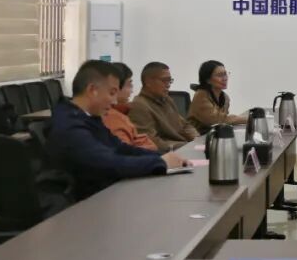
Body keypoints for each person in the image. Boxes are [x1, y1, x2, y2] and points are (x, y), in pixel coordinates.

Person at [47, 60, 185, 200]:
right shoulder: (69, 124)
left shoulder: (88, 118)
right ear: (92, 90)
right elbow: (107, 162)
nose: (114, 101)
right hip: (78, 204)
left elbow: (120, 148)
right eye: (112, 93)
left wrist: (161, 157)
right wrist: (160, 163)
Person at [128, 62, 199, 151]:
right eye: (164, 80)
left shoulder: (167, 100)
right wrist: (187, 147)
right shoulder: (139, 106)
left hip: (182, 147)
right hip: (168, 153)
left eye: (170, 80)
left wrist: (197, 140)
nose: (168, 85)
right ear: (148, 82)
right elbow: (151, 142)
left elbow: (184, 125)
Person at [102, 62, 157, 150]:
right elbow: (124, 153)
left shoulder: (123, 111)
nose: (131, 90)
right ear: (115, 87)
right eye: (129, 84)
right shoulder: (112, 117)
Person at [188, 60, 248, 134]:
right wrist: (248, 119)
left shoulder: (225, 98)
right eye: (220, 75)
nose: (225, 78)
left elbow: (224, 121)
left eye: (225, 74)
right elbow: (217, 120)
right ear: (208, 80)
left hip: (214, 135)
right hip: (196, 137)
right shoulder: (200, 95)